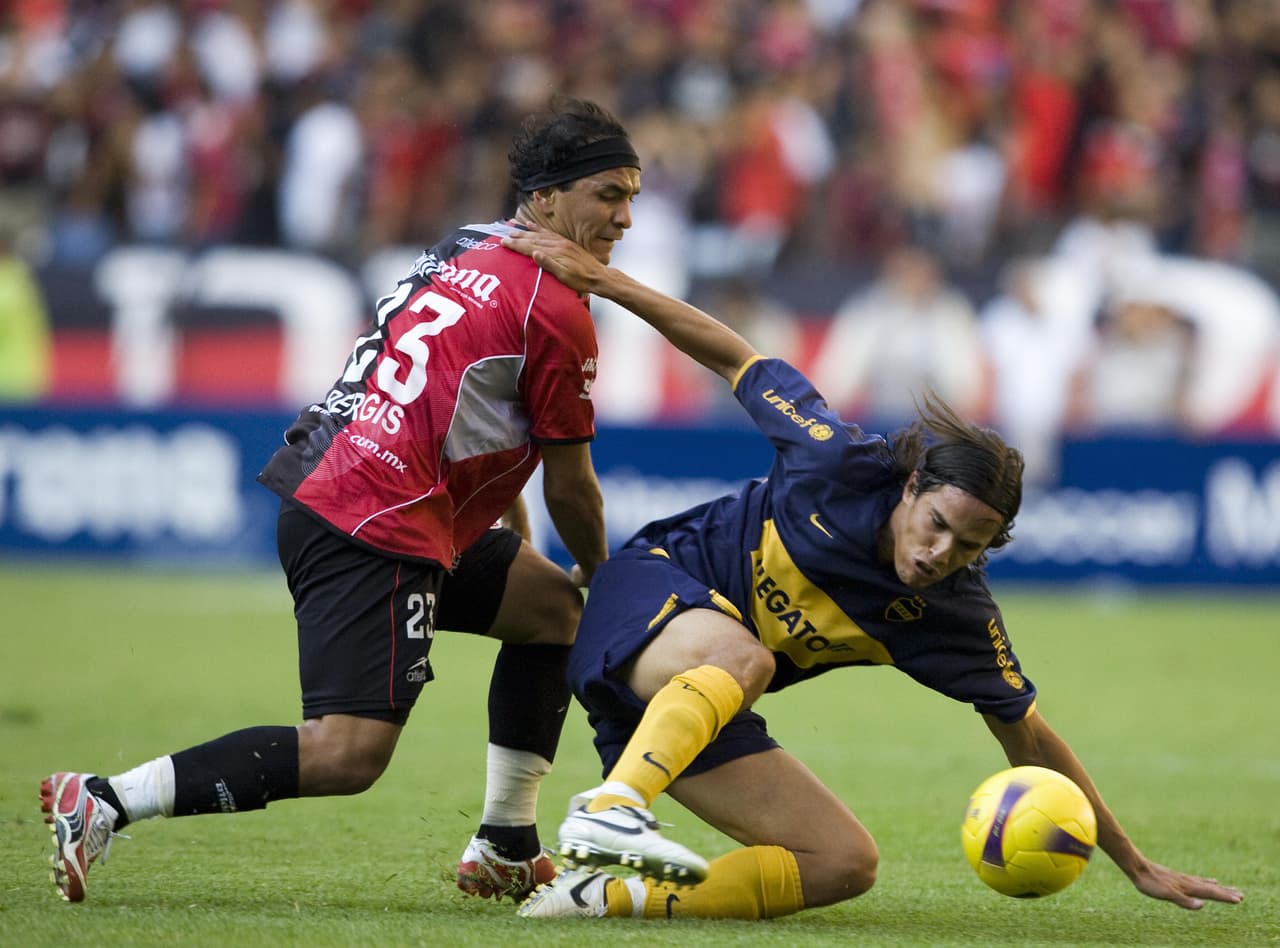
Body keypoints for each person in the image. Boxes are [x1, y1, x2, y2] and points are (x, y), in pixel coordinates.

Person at [498, 226, 1245, 921]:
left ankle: (604, 895)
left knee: (842, 863)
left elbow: (1029, 739)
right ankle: (611, 810)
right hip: (640, 596)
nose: (941, 552)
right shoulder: (836, 463)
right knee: (746, 655)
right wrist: (605, 281)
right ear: (912, 487)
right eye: (937, 524)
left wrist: (1132, 862)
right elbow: (733, 356)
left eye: (970, 546)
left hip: (676, 710)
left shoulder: (953, 612)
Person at [40, 96, 642, 905]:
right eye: (608, 194)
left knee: (550, 611)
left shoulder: (468, 244)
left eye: (632, 196)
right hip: (375, 518)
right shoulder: (557, 309)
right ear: (546, 196)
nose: (625, 217)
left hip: (350, 484)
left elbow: (458, 397)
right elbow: (572, 482)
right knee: (347, 754)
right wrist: (605, 572)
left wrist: (504, 516)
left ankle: (506, 841)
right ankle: (105, 799)